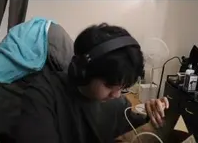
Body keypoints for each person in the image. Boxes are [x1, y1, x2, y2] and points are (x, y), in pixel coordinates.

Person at [15, 24, 170, 143]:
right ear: (83, 71)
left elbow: (137, 130)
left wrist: (152, 115)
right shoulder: (43, 94)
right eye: (109, 86)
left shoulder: (117, 104)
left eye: (122, 88)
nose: (116, 95)